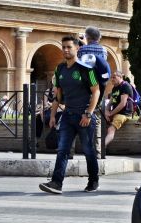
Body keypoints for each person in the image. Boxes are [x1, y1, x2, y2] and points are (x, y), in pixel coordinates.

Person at [39, 35, 100, 194]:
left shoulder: (87, 69)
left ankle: (93, 180)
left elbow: (96, 91)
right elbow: (57, 95)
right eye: (63, 47)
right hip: (67, 115)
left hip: (84, 116)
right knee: (63, 150)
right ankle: (56, 183)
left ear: (77, 48)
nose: (66, 50)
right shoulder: (59, 69)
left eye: (69, 47)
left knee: (88, 150)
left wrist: (88, 113)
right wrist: (52, 115)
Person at [77, 26, 110, 158]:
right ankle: (97, 151)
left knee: (77, 113)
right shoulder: (104, 50)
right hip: (99, 87)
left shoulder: (82, 49)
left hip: (85, 85)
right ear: (99, 38)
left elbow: (81, 63)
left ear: (87, 37)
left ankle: (70, 151)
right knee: (95, 115)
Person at [104, 71, 133, 147]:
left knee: (111, 129)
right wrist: (107, 111)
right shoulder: (114, 88)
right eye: (111, 78)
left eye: (114, 77)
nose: (112, 79)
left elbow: (123, 104)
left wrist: (111, 113)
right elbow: (110, 102)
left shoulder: (125, 86)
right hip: (116, 113)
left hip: (124, 113)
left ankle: (102, 147)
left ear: (120, 77)